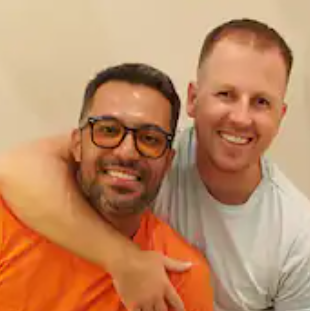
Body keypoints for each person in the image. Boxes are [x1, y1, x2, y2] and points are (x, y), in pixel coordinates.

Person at [1, 17, 310, 311]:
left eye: (261, 102)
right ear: (193, 99)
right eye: (225, 94)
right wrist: (123, 259)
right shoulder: (144, 146)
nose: (241, 118)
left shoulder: (297, 234)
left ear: (280, 115)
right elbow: (13, 169)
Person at [0, 63, 214, 311]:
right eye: (109, 130)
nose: (127, 151)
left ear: (167, 161)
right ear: (77, 145)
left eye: (149, 138)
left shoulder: (181, 275)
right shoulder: (11, 219)